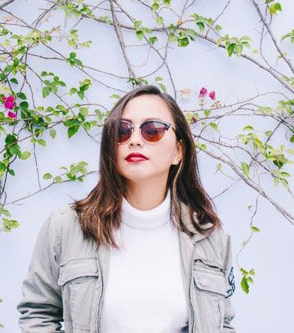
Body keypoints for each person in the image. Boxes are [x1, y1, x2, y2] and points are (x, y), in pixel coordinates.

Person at [17, 84, 236, 332]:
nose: (134, 141)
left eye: (152, 130)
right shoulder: (66, 228)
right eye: (122, 131)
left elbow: (222, 323)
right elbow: (38, 314)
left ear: (178, 151)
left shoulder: (210, 236)